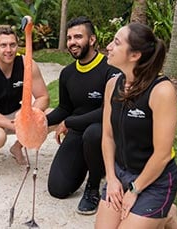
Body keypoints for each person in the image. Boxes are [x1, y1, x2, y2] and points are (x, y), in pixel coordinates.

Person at [95, 22, 177, 228]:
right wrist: (112, 179)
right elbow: (107, 136)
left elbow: (162, 154)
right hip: (120, 173)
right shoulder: (112, 85)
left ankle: (165, 212)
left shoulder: (162, 91)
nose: (108, 47)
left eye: (116, 42)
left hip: (155, 180)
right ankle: (163, 213)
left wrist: (135, 190)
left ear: (134, 55)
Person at [46, 16, 122, 215]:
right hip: (78, 131)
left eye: (78, 36)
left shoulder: (110, 69)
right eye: (70, 38)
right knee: (58, 189)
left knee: (93, 133)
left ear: (92, 39)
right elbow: (64, 108)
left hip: (105, 133)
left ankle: (93, 186)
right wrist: (39, 121)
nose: (72, 42)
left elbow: (109, 110)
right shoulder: (67, 73)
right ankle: (92, 164)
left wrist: (69, 122)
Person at [0, 27, 49, 165]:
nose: (8, 50)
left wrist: (28, 115)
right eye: (3, 45)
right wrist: (15, 125)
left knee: (51, 115)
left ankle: (17, 147)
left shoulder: (28, 64)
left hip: (16, 112)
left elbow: (43, 97)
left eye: (12, 45)